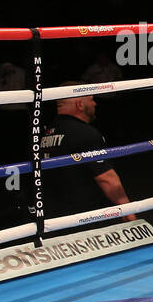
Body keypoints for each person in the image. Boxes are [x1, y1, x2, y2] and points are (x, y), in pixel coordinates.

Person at [40, 83, 135, 221]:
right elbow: (106, 178)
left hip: (54, 218)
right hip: (88, 217)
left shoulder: (44, 134)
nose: (95, 104)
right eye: (91, 99)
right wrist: (129, 213)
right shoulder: (84, 133)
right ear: (80, 104)